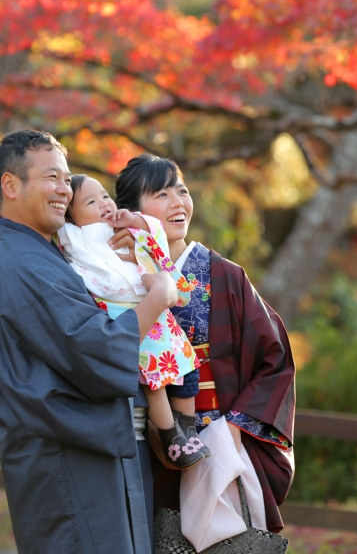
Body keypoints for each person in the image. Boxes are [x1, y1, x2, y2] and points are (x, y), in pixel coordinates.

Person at [0, 130, 178, 554]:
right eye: (51, 177)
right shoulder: (25, 263)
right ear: (11, 186)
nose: (63, 189)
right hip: (66, 465)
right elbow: (95, 344)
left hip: (76, 455)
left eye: (67, 180)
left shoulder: (33, 250)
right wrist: (158, 296)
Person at [111, 153, 296, 536]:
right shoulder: (115, 274)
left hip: (217, 437)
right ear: (131, 212)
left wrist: (235, 427)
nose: (178, 203)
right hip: (144, 441)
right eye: (161, 194)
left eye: (182, 190)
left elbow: (274, 358)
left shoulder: (224, 275)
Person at [57, 173, 208, 469]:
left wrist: (135, 222)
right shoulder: (74, 237)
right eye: (91, 201)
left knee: (188, 370)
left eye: (104, 196)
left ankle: (187, 428)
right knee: (156, 383)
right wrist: (6, 213)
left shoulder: (124, 226)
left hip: (158, 310)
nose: (103, 204)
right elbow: (42, 225)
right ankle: (169, 435)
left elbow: (155, 237)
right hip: (127, 315)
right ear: (70, 217)